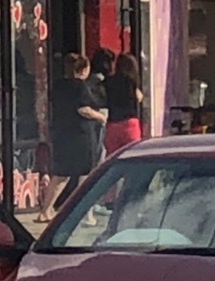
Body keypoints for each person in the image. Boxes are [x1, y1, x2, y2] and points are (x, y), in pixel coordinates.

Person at [36, 54, 106, 224]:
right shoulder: (80, 86)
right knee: (86, 173)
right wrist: (100, 117)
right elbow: (83, 109)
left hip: (61, 132)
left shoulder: (58, 85)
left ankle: (45, 211)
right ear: (83, 70)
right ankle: (84, 213)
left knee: (61, 174)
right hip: (80, 134)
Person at [104, 53, 143, 156]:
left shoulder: (109, 81)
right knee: (133, 156)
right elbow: (138, 97)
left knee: (112, 157)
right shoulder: (131, 82)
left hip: (113, 124)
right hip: (129, 123)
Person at [88, 48, 115, 165]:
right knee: (101, 152)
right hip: (101, 116)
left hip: (92, 118)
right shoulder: (101, 81)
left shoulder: (89, 80)